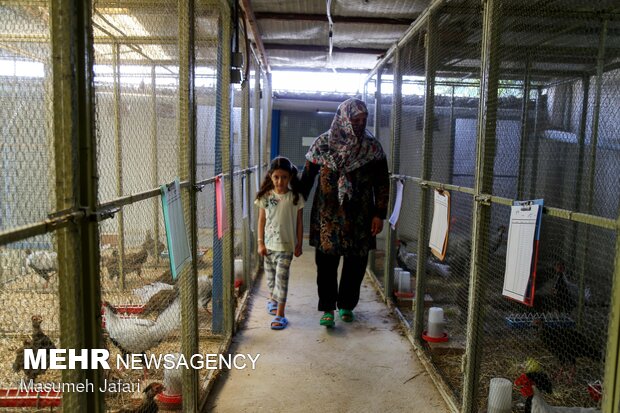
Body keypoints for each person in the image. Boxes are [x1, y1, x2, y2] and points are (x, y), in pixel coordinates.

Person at [300, 98, 389, 327]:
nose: (360, 124)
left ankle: (347, 305)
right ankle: (328, 308)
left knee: (356, 265)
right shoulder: (322, 144)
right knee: (326, 265)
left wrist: (379, 213)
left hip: (360, 217)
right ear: (343, 119)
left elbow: (382, 183)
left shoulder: (372, 148)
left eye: (363, 119)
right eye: (355, 119)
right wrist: (295, 203)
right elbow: (308, 178)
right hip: (327, 217)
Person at [255, 156, 304, 330]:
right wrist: (260, 243)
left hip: (286, 247)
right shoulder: (266, 197)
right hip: (268, 247)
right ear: (270, 176)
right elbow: (261, 221)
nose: (280, 181)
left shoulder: (295, 198)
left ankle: (280, 315)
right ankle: (273, 299)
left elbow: (299, 222)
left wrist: (299, 244)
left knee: (281, 280)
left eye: (284, 177)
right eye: (276, 177)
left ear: (290, 177)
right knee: (270, 280)